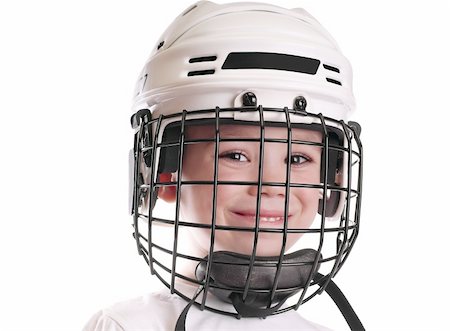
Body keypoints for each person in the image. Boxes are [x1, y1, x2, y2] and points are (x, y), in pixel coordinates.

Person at [84, 1, 364, 330]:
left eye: (298, 159)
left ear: (329, 181)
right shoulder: (127, 326)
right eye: (235, 155)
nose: (272, 186)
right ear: (164, 173)